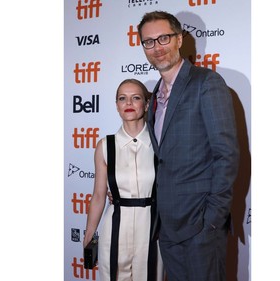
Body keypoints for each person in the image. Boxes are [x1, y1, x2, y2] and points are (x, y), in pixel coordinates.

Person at [137, 11, 240, 281]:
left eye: (163, 38)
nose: (157, 47)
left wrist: (212, 221)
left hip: (200, 226)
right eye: (149, 42)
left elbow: (226, 154)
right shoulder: (155, 96)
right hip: (167, 227)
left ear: (179, 39)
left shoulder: (206, 83)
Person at [83, 79, 164, 281]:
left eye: (135, 98)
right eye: (122, 98)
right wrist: (89, 234)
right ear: (117, 106)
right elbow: (99, 195)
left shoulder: (160, 144)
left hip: (152, 230)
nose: (128, 103)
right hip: (115, 230)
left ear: (146, 104)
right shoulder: (105, 146)